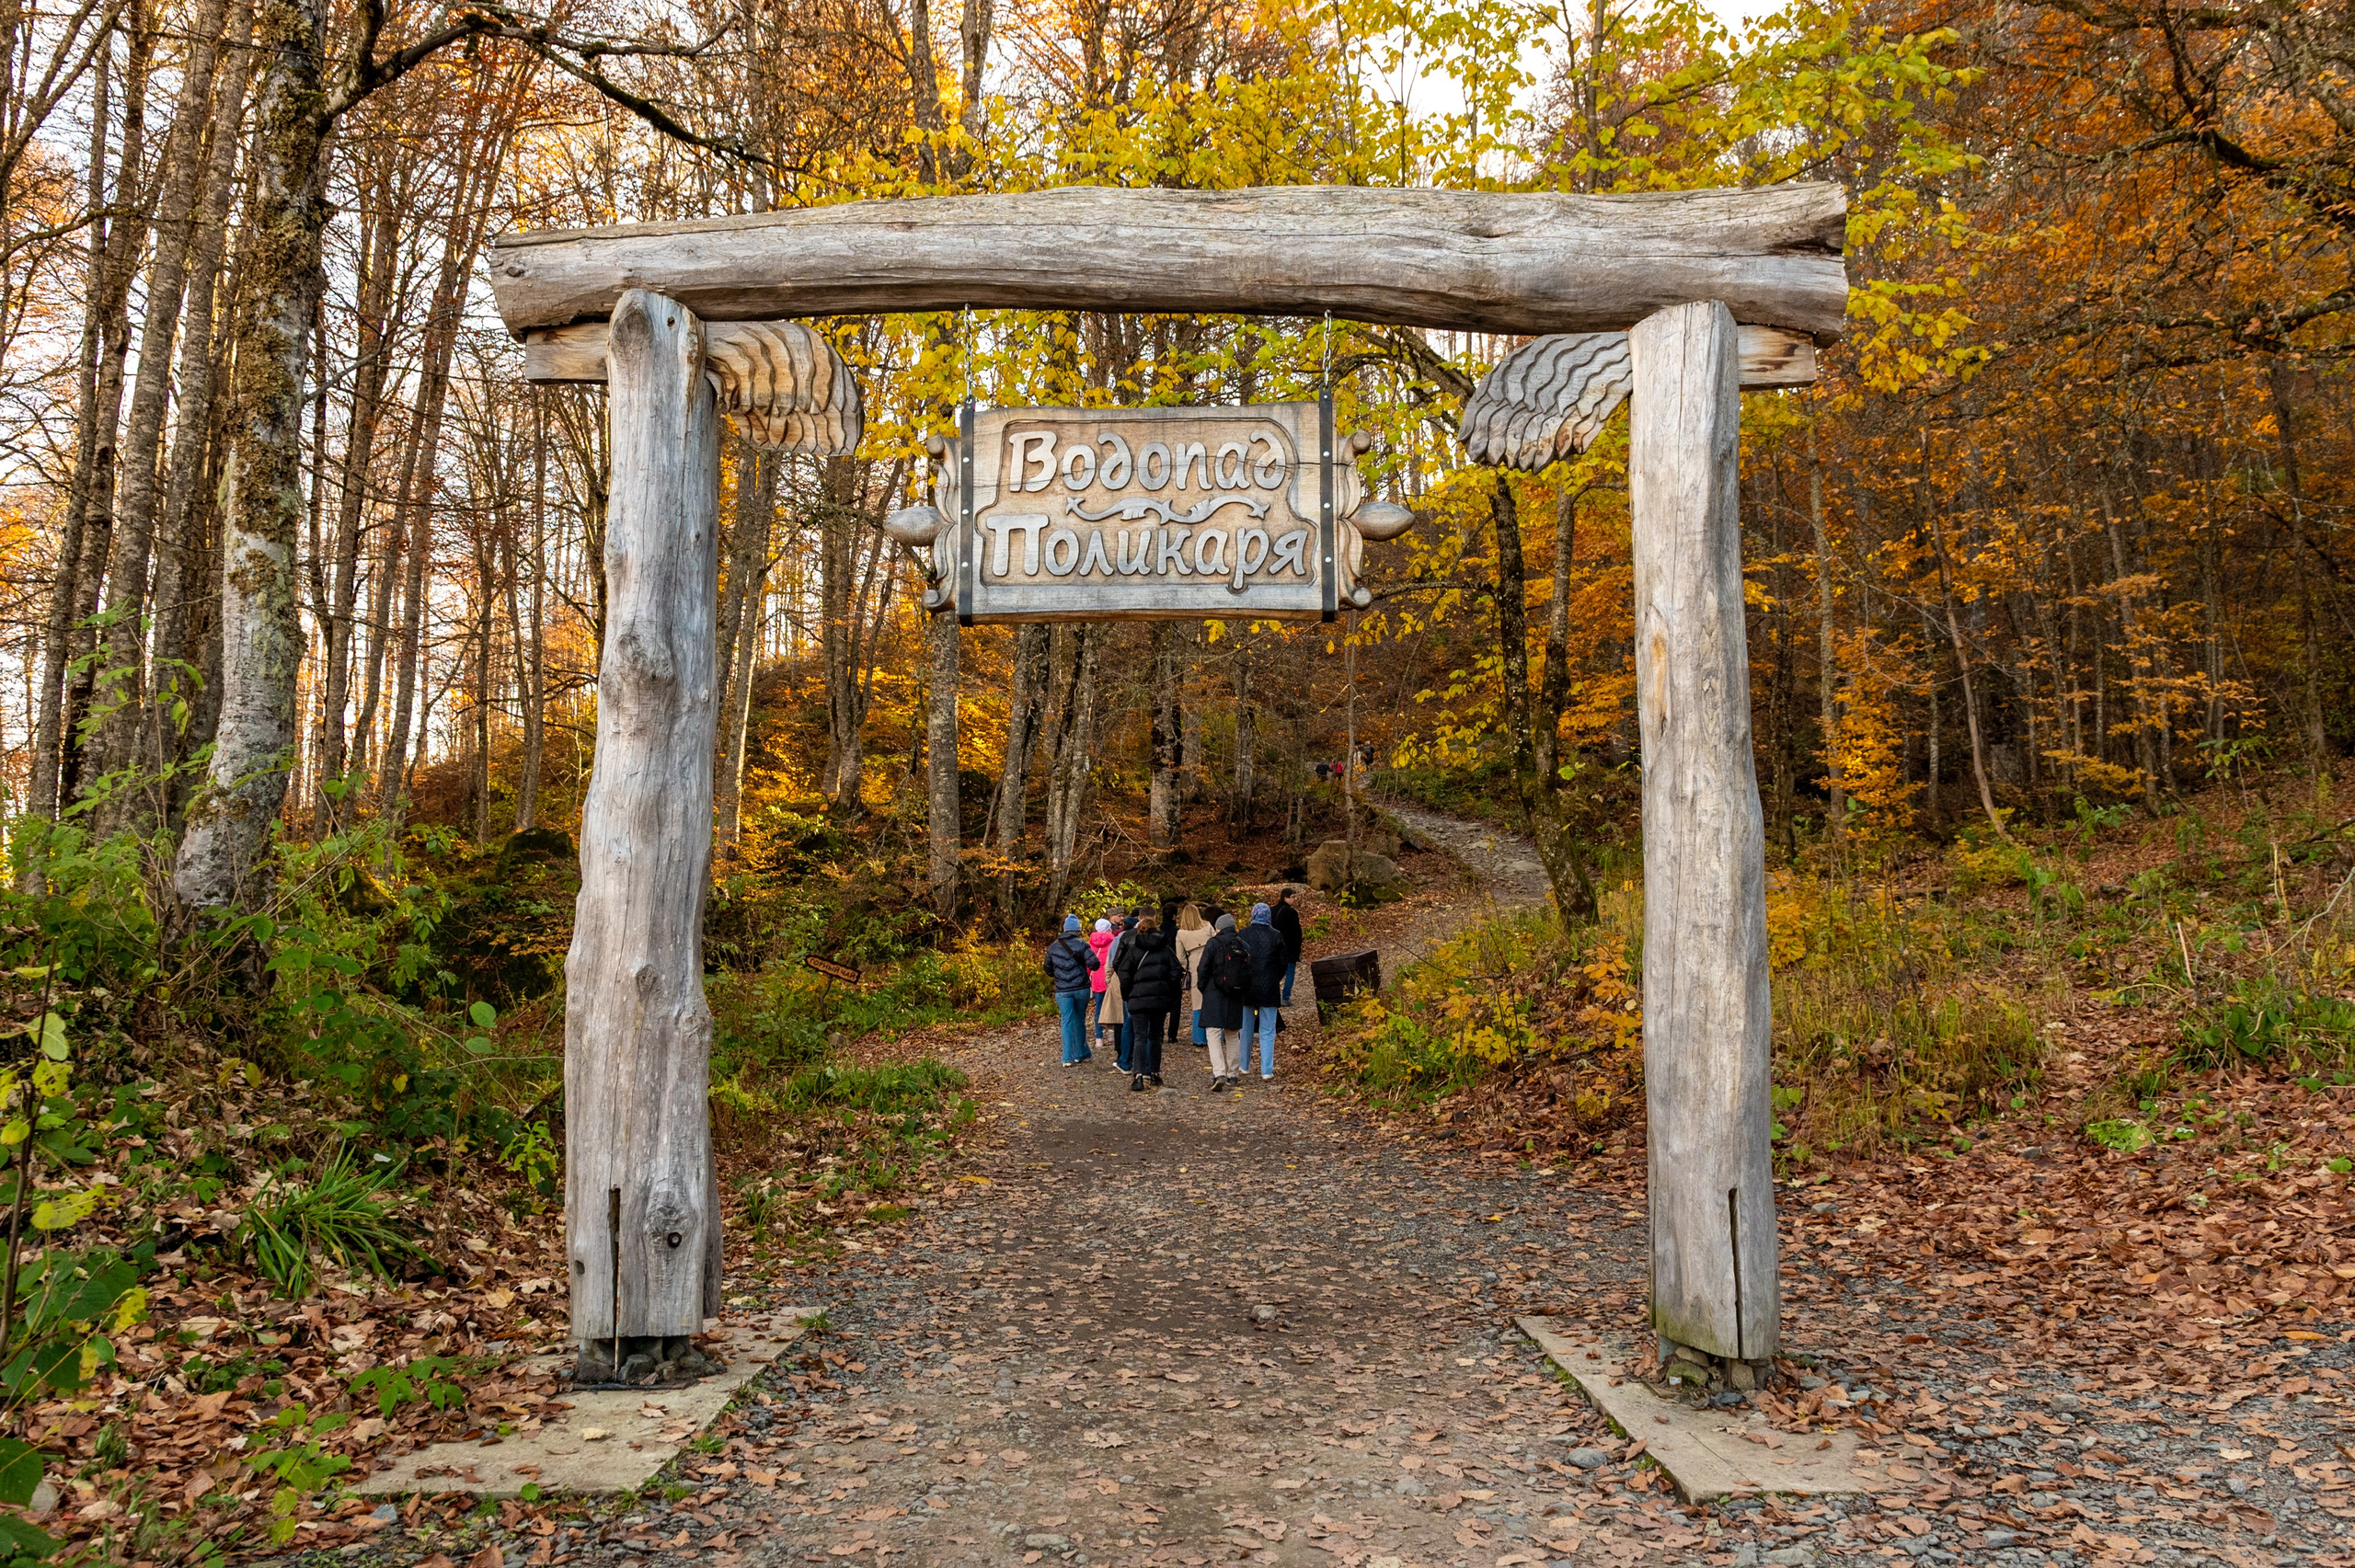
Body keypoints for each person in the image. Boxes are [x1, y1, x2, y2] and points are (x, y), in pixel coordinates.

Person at [1117, 911, 1182, 1092]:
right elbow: (1177, 971)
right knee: (1155, 1037)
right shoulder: (1165, 949)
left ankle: (1137, 1075)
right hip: (1159, 999)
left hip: (1138, 999)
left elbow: (1124, 974)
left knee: (1140, 1037)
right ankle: (1154, 1073)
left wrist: (1128, 994)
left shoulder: (1134, 950)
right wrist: (1168, 988)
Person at [1197, 912, 1250, 1091]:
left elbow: (1203, 968)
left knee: (1213, 1033)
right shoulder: (1243, 945)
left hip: (1214, 993)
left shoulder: (1213, 943)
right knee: (1233, 1034)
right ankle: (1233, 1075)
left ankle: (1219, 1072)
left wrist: (1203, 988)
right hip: (1236, 994)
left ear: (1218, 928)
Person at [1237, 902, 1287, 1081]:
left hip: (1247, 987)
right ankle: (1266, 1070)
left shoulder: (1243, 934)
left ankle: (1243, 1065)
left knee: (1245, 1029)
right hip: (1269, 987)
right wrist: (1274, 978)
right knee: (1268, 1030)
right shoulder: (1276, 936)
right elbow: (1283, 963)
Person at [1043, 915, 1100, 1066]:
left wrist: (1059, 975)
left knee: (1067, 1021)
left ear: (1064, 929)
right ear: (1078, 930)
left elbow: (1047, 969)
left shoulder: (1053, 947)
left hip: (1062, 990)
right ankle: (1080, 1053)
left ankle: (1067, 1058)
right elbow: (1094, 964)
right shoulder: (1082, 944)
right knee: (1079, 1020)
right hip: (1081, 988)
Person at [1173, 902, 1212, 1050]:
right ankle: (1217, 1034)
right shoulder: (1208, 926)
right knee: (1214, 998)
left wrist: (1187, 968)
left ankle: (1199, 1037)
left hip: (1195, 966)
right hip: (1211, 962)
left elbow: (1180, 958)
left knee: (1198, 1003)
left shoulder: (1181, 933)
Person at [1103, 910, 1138, 1073]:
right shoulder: (1130, 940)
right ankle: (1132, 1057)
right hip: (1130, 983)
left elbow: (1111, 963)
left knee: (1121, 1020)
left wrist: (1110, 980)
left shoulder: (1117, 940)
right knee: (1129, 1021)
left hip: (1120, 982)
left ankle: (1122, 1055)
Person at [1271, 887, 1304, 1006]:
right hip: (1289, 948)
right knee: (1290, 972)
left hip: (1274, 948)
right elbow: (1297, 933)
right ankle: (1285, 997)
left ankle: (1273, 996)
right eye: (1293, 897)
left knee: (1274, 973)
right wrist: (1297, 949)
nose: (1294, 899)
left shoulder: (1271, 911)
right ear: (1286, 898)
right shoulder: (1291, 913)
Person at [1086, 918, 1116, 1049]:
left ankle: (1099, 1038)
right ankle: (1111, 1033)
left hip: (1097, 978)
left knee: (1098, 1008)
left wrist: (1088, 976)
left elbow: (1088, 962)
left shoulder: (1090, 942)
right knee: (1112, 1006)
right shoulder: (1113, 940)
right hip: (1109, 977)